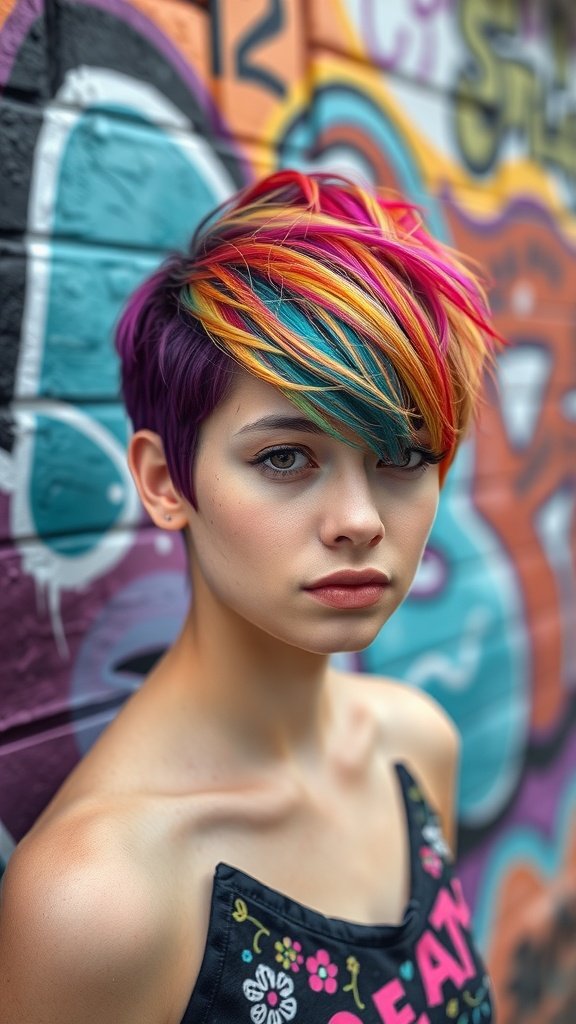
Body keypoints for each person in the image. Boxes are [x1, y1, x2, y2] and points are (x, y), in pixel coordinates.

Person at [0, 171, 498, 1023]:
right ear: (165, 482)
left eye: (403, 456)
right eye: (284, 458)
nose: (358, 520)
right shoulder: (99, 901)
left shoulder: (417, 749)